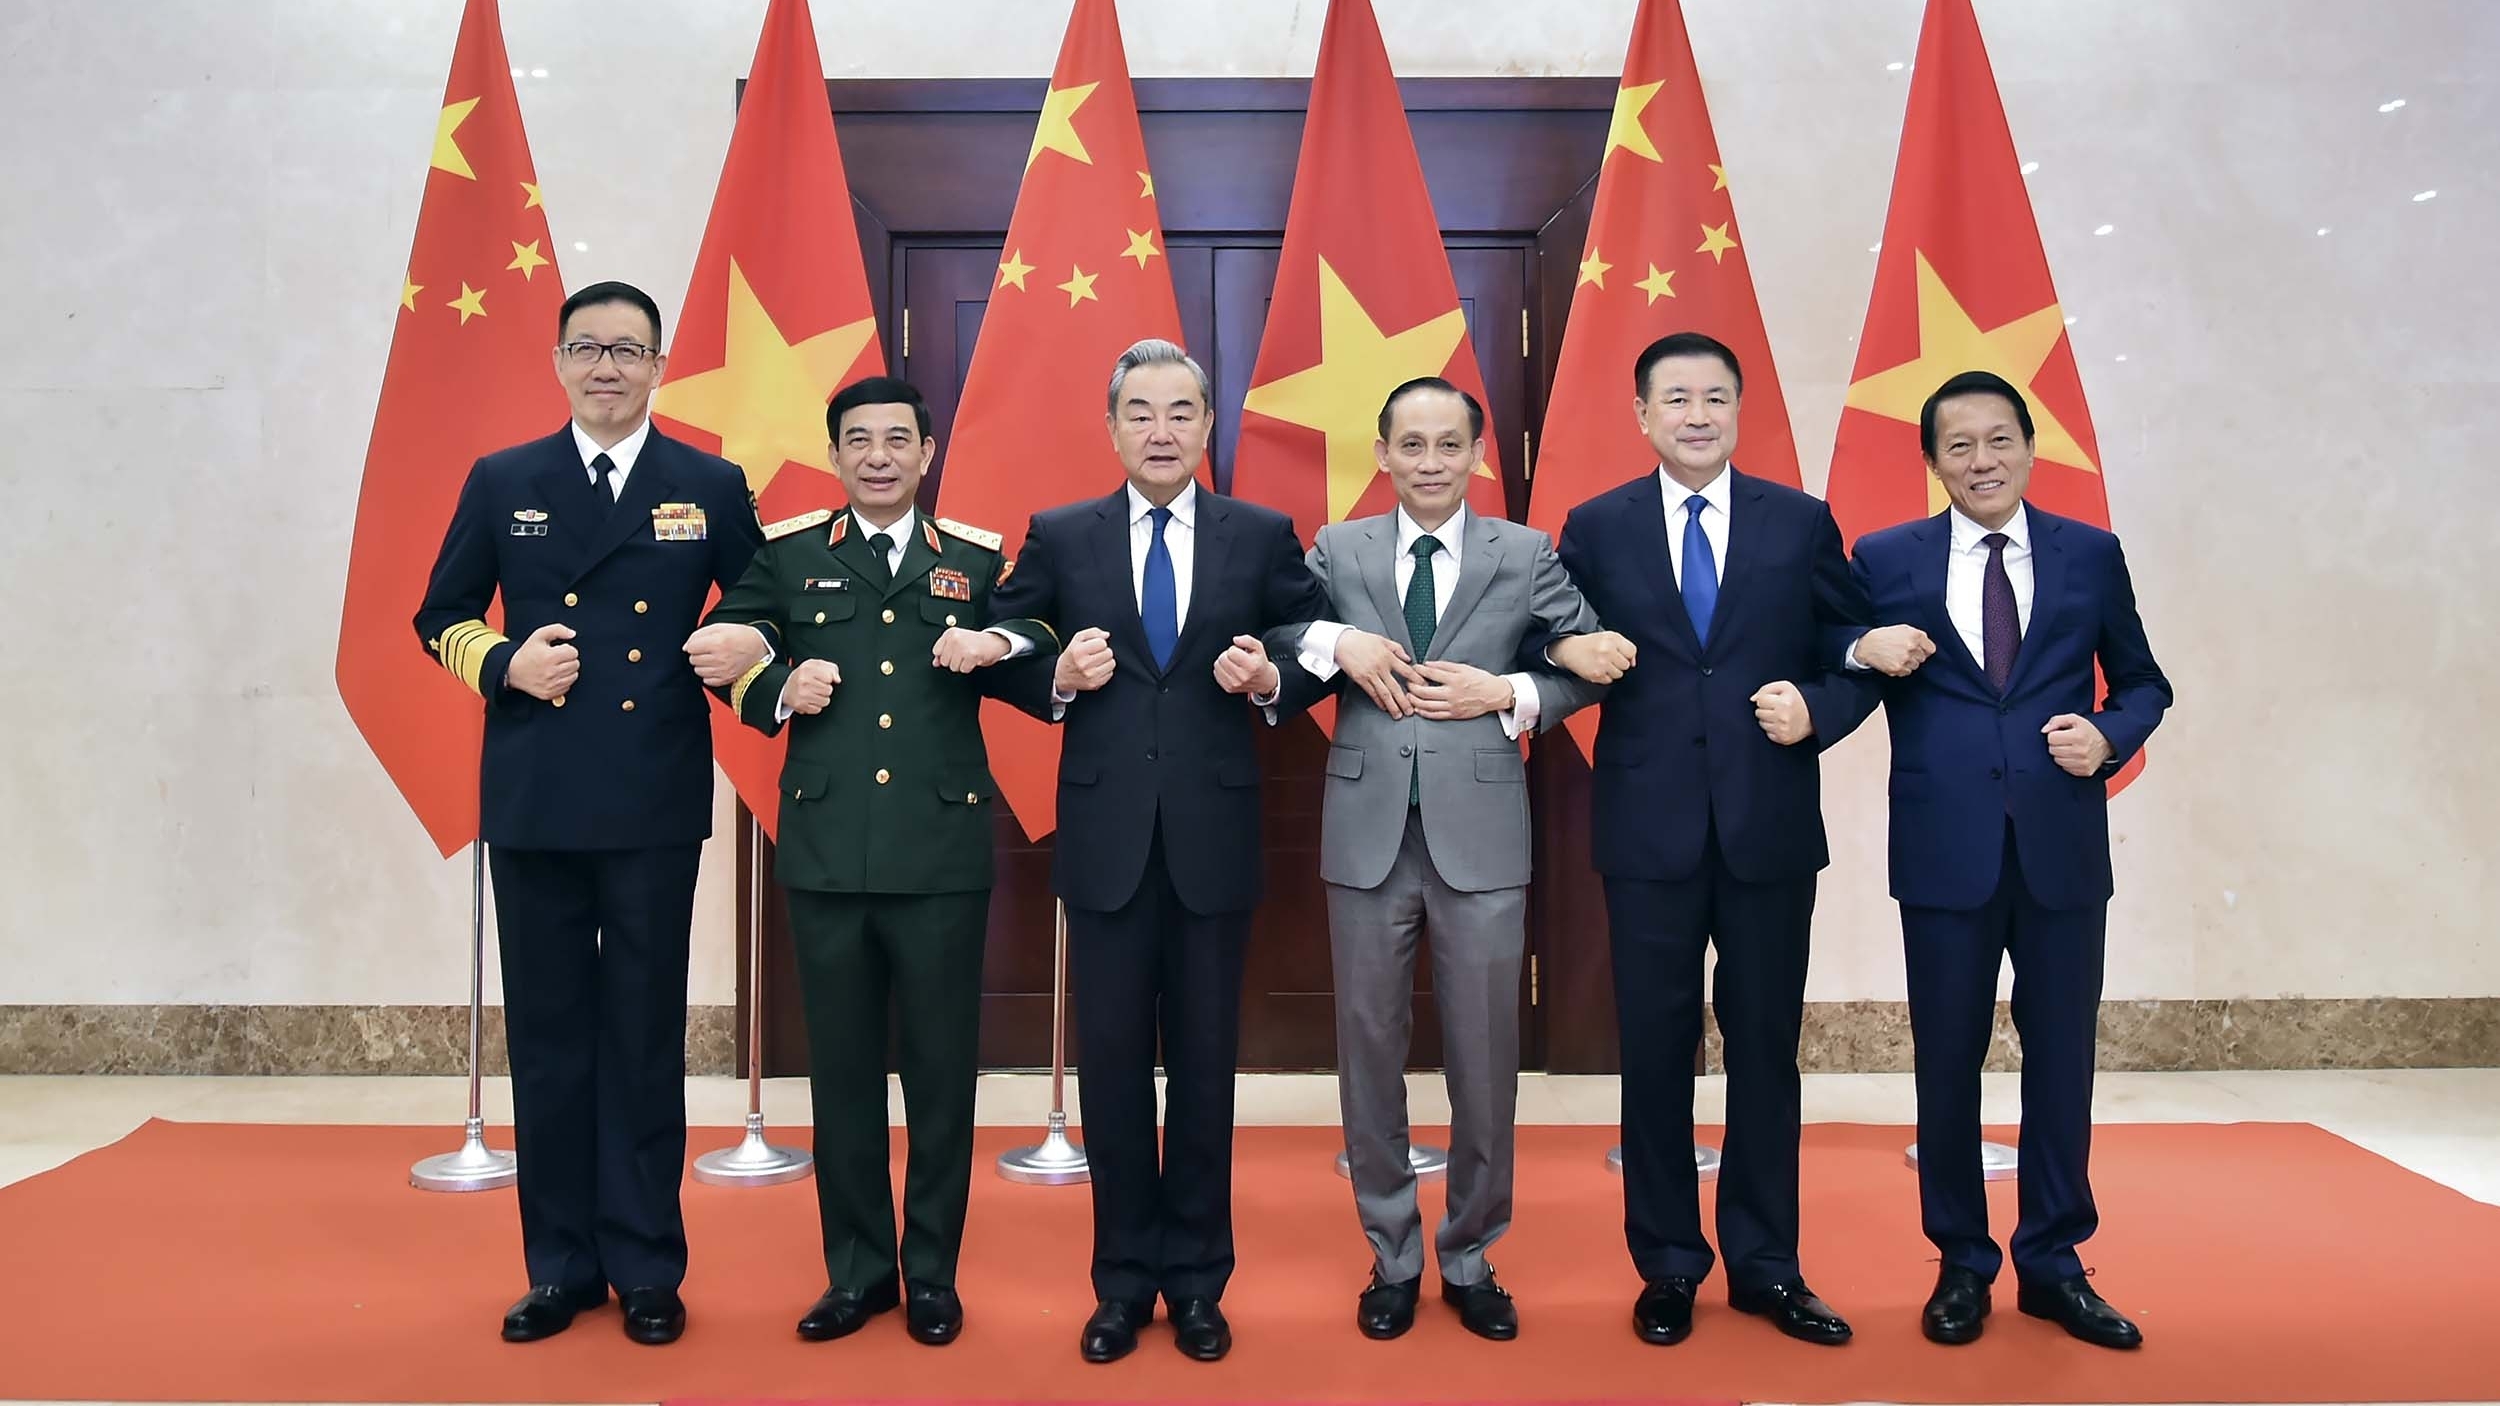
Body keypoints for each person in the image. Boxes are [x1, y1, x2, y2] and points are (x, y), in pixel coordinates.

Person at [413, 279, 763, 1346]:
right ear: (558, 362)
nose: (606, 366)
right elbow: (439, 613)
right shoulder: (504, 477)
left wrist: (743, 644)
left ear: (659, 366)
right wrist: (503, 661)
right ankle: (560, 1265)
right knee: (555, 1039)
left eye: (628, 348)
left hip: (653, 792)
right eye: (586, 347)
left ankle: (648, 1265)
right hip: (536, 794)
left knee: (645, 1037)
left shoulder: (706, 481)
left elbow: (760, 602)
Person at [986, 338, 1332, 1365]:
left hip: (1214, 838)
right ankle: (1120, 1282)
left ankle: (1197, 1281)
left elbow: (1315, 638)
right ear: (1112, 426)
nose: (1161, 430)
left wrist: (1267, 673)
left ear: (1207, 425)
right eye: (1140, 412)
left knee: (1205, 1069)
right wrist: (1057, 671)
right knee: (1111, 1072)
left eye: (1181, 411)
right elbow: (1001, 640)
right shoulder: (1062, 532)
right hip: (1102, 841)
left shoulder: (1259, 532)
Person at [690, 375, 1048, 1348]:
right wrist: (774, 683)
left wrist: (997, 639)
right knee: (842, 1075)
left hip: (938, 851)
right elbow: (726, 647)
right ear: (836, 453)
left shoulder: (971, 558)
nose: (879, 454)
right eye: (860, 439)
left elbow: (1037, 633)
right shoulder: (792, 553)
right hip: (828, 847)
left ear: (927, 453)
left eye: (898, 438)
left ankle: (930, 1272)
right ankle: (857, 1271)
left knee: (940, 1075)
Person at [1541, 330, 1878, 1348]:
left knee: (1766, 1052)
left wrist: (1819, 709)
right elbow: (1539, 630)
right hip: (1646, 829)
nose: (1696, 413)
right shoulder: (1596, 526)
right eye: (1676, 397)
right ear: (1641, 415)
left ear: (1739, 411)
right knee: (1653, 1053)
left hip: (1767, 825)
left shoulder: (1801, 522)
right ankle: (1669, 1263)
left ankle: (1769, 1265)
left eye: (1715, 397)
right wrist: (1564, 643)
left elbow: (1853, 650)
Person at [1268, 377, 1605, 1342]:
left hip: (1484, 838)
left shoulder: (1525, 551)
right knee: (1368, 1052)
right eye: (1410, 446)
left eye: (1447, 446)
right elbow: (1284, 627)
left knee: (1486, 1056)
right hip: (1367, 836)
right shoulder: (1339, 547)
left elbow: (1588, 655)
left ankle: (1469, 1253)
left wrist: (1507, 692)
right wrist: (1339, 639)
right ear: (1382, 455)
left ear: (1476, 455)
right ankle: (1392, 1256)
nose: (1428, 463)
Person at [1841, 370, 2172, 1349]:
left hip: (2062, 844)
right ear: (1931, 461)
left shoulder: (2090, 555)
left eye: (1998, 440)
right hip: (1943, 846)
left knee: (2061, 1058)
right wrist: (1861, 644)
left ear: (2030, 447)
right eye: (1958, 446)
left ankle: (2054, 1262)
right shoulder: (1887, 556)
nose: (1980, 461)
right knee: (1946, 1061)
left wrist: (2108, 735)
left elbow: (2145, 683)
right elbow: (1840, 653)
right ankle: (1961, 1262)